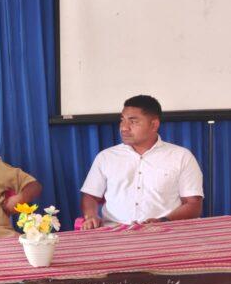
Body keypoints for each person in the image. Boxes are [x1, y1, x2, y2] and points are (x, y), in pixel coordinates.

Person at [79, 95, 203, 229]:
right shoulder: (106, 157)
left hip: (163, 231)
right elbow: (90, 196)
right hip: (113, 230)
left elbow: (193, 205)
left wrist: (164, 220)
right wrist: (91, 216)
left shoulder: (181, 156)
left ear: (154, 125)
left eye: (133, 121)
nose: (124, 128)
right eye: (122, 120)